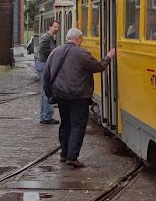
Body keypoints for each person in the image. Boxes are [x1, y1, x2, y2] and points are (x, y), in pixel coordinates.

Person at [44, 27, 116, 168]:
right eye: (81, 40)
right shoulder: (81, 53)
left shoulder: (55, 52)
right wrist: (108, 57)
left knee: (65, 124)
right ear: (78, 39)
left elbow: (47, 76)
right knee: (77, 125)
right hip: (79, 96)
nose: (81, 42)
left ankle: (64, 154)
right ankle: (72, 157)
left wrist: (49, 95)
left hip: (60, 95)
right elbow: (99, 67)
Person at [34, 20, 60, 124]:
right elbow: (42, 49)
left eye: (58, 27)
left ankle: (44, 116)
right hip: (44, 64)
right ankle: (47, 116)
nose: (57, 29)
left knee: (45, 90)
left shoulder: (50, 37)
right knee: (47, 90)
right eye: (55, 27)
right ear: (50, 27)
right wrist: (54, 54)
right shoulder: (46, 37)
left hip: (43, 64)